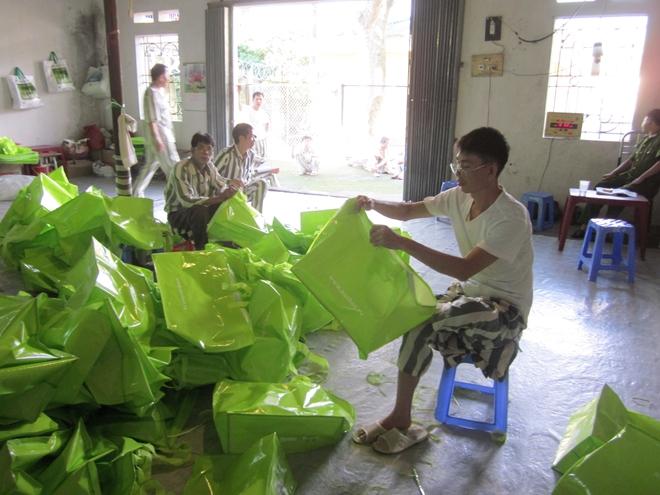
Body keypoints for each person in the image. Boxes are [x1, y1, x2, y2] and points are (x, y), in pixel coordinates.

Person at [353, 127, 533, 455]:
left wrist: (402, 243)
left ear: (490, 170)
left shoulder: (511, 217)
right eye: (457, 165)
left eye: (466, 166)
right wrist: (372, 202)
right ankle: (401, 417)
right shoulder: (458, 197)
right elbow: (409, 210)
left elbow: (464, 268)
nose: (458, 173)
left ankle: (400, 418)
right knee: (414, 315)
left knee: (427, 320)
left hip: (505, 310)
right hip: (470, 295)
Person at [572, 108, 660, 238]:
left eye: (644, 120)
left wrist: (641, 178)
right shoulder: (646, 139)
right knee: (602, 186)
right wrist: (613, 173)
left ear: (651, 122)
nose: (642, 123)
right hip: (630, 177)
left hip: (645, 183)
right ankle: (585, 226)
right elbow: (631, 161)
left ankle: (605, 230)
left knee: (617, 195)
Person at [165, 132, 241, 250]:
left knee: (227, 204)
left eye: (209, 149)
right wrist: (220, 197)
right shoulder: (181, 168)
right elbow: (186, 200)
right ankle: (202, 249)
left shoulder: (209, 166)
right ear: (192, 150)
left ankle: (229, 242)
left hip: (200, 211)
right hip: (179, 215)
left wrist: (230, 189)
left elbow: (220, 183)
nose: (205, 152)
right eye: (200, 148)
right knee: (199, 210)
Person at [134, 63, 180, 197]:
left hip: (164, 135)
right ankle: (179, 196)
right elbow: (152, 119)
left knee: (150, 166)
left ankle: (136, 194)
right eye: (166, 75)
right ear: (160, 77)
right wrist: (157, 139)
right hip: (160, 137)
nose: (168, 78)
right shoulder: (151, 93)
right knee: (173, 167)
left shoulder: (160, 92)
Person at [214, 123, 269, 212]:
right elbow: (212, 177)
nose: (254, 140)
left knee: (262, 183)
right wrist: (229, 182)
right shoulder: (226, 154)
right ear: (241, 138)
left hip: (242, 191)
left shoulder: (251, 154)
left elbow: (249, 176)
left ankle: (255, 217)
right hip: (227, 193)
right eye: (251, 137)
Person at [247, 91, 270, 165]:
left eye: (260, 99)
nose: (259, 101)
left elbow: (267, 125)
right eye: (257, 99)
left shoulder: (263, 113)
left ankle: (261, 174)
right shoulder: (248, 111)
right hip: (253, 139)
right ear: (253, 100)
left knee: (263, 159)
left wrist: (265, 135)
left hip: (262, 139)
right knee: (253, 158)